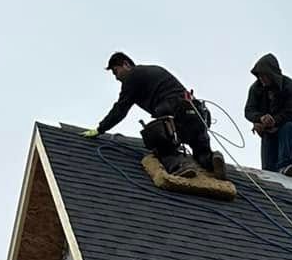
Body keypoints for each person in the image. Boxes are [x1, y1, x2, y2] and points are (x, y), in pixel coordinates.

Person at [88, 53, 221, 179]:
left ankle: (180, 165)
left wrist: (100, 129)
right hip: (196, 112)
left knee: (157, 140)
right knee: (200, 148)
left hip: (173, 110)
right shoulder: (152, 71)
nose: (116, 77)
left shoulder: (132, 76)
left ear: (126, 64)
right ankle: (211, 161)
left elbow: (120, 108)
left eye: (116, 71)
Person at [244, 52, 292, 175]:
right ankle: (269, 175)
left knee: (288, 127)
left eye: (264, 75)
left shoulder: (290, 87)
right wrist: (260, 119)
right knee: (268, 171)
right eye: (259, 76)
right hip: (268, 133)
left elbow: (291, 112)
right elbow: (249, 110)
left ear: (271, 74)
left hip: (290, 131)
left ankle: (285, 165)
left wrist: (274, 121)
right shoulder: (256, 89)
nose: (261, 79)